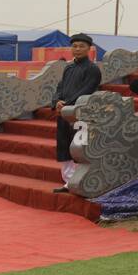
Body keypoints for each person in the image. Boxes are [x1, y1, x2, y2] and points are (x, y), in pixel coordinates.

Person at [52, 34, 102, 191]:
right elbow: (60, 88)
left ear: (89, 49)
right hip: (64, 114)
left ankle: (77, 181)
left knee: (77, 147)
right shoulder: (69, 67)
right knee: (64, 146)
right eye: (75, 46)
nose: (78, 49)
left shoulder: (92, 69)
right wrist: (56, 102)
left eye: (81, 46)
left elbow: (87, 90)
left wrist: (67, 104)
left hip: (80, 115)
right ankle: (67, 181)